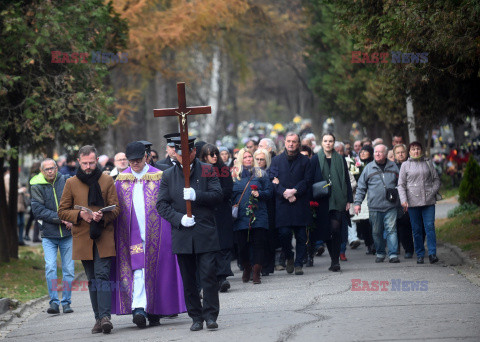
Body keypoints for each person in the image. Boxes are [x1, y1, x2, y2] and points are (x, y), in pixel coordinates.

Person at [112, 141, 186, 328]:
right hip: (130, 234)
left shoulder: (159, 176)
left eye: (138, 160)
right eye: (131, 161)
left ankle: (153, 310)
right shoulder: (121, 180)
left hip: (158, 232)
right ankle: (139, 308)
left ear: (146, 157)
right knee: (138, 269)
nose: (134, 164)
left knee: (156, 271)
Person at [156, 136, 223, 332]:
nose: (183, 156)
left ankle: (210, 315)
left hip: (205, 232)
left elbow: (218, 196)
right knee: (188, 279)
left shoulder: (208, 170)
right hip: (183, 234)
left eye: (187, 153)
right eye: (179, 153)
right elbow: (161, 205)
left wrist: (197, 195)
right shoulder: (168, 175)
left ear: (193, 152)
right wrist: (178, 219)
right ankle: (195, 316)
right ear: (174, 153)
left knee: (209, 275)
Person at [58, 145, 120, 334]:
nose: (88, 166)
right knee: (92, 279)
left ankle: (105, 317)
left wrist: (103, 216)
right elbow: (62, 211)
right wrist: (79, 215)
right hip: (83, 237)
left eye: (91, 163)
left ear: (96, 160)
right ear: (78, 162)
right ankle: (97, 318)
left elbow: (116, 208)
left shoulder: (107, 180)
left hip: (103, 235)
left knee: (102, 276)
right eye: (84, 163)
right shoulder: (71, 182)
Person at [30, 159, 74, 314]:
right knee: (50, 268)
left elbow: (74, 203)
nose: (50, 171)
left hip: (68, 235)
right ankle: (54, 303)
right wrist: (61, 218)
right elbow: (38, 211)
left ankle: (66, 302)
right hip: (49, 234)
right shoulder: (36, 185)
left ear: (57, 168)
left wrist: (72, 218)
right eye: (46, 169)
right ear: (42, 171)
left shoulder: (66, 181)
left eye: (52, 168)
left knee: (68, 269)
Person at [269, 132, 312, 275]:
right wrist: (285, 193)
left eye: (294, 141)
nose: (291, 144)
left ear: (298, 144)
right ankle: (289, 256)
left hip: (300, 203)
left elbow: (307, 181)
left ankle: (299, 263)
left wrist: (294, 191)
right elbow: (272, 180)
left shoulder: (305, 161)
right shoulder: (276, 160)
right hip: (283, 204)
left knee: (301, 236)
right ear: (285, 143)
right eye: (288, 141)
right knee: (284, 234)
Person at [311, 133, 353, 272]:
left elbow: (346, 180)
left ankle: (335, 261)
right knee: (327, 231)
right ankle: (333, 259)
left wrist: (349, 200)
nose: (328, 143)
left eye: (330, 141)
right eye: (325, 141)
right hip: (322, 200)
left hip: (338, 198)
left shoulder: (340, 159)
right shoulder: (315, 159)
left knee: (336, 229)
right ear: (321, 143)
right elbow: (311, 180)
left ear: (334, 143)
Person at [354, 144, 400, 264]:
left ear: (385, 154)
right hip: (375, 206)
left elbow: (401, 184)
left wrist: (402, 199)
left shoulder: (393, 166)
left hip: (391, 205)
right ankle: (380, 253)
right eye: (375, 152)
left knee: (391, 230)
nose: (377, 154)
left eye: (380, 152)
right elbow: (361, 187)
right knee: (376, 232)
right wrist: (357, 203)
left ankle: (393, 254)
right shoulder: (369, 168)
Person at [232, 148, 272, 284]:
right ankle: (247, 267)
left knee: (259, 244)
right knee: (242, 246)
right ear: (240, 160)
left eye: (250, 156)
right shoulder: (234, 175)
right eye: (245, 157)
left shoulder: (261, 174)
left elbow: (269, 192)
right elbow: (229, 195)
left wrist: (260, 194)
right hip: (241, 216)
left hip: (259, 213)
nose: (249, 159)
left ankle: (256, 271)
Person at [198, 144, 234, 292]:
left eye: (215, 154)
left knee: (224, 243)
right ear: (204, 156)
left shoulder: (223, 169)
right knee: (211, 245)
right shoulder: (200, 170)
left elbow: (228, 189)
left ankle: (223, 277)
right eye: (210, 154)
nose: (214, 157)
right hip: (207, 212)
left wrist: (215, 195)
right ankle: (214, 277)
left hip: (222, 210)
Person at [398, 141, 441, 264]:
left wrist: (432, 192)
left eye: (418, 148)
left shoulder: (428, 162)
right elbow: (401, 185)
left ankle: (432, 254)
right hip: (413, 202)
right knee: (416, 229)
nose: (416, 151)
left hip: (428, 201)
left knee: (429, 227)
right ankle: (420, 254)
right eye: (413, 149)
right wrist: (404, 200)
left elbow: (436, 180)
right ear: (409, 152)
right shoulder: (405, 165)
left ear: (421, 150)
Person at [393, 144, 415, 259]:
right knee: (403, 224)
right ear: (394, 155)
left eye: (402, 152)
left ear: (406, 153)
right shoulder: (392, 167)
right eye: (398, 153)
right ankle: (408, 249)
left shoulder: (412, 164)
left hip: (415, 198)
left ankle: (418, 245)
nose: (400, 154)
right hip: (399, 200)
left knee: (417, 224)